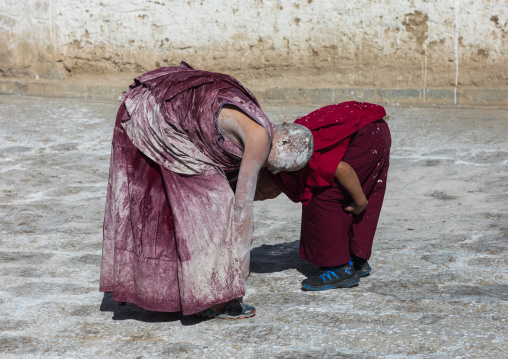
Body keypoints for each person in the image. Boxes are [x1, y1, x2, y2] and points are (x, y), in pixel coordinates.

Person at [99, 62, 313, 319]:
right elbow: (242, 208)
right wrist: (237, 277)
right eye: (285, 166)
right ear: (285, 140)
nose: (277, 173)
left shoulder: (261, 123)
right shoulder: (260, 138)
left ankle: (144, 287)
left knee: (200, 202)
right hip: (155, 113)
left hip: (154, 102)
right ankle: (215, 298)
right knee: (216, 205)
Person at [254, 101, 391, 291]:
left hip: (365, 133)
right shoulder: (283, 160)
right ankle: (356, 259)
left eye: (261, 191)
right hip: (372, 128)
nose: (270, 195)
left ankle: (339, 269)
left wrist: (360, 201)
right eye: (264, 199)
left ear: (262, 171)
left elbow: (342, 170)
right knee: (345, 190)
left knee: (322, 194)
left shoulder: (294, 156)